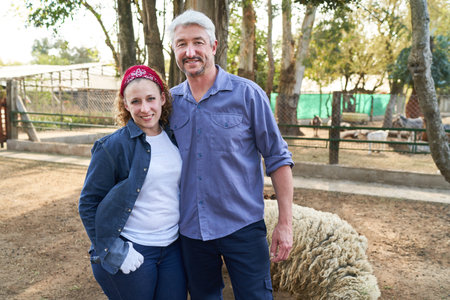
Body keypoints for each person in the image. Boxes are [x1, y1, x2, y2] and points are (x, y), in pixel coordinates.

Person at [168, 10, 294, 300]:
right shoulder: (169, 103)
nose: (190, 51)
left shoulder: (247, 94)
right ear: (174, 50)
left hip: (243, 227)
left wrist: (285, 224)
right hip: (190, 230)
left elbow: (278, 158)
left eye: (198, 42)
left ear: (213, 46)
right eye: (181, 44)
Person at [78, 65, 187, 300]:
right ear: (125, 104)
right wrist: (114, 249)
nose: (145, 108)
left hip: (172, 249)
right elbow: (88, 204)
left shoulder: (176, 138)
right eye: (136, 101)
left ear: (162, 98)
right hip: (134, 248)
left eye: (150, 99)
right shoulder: (111, 147)